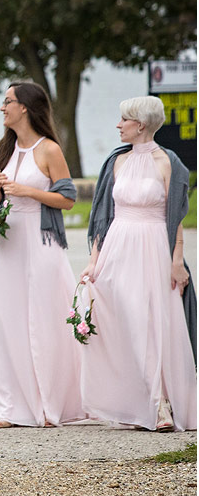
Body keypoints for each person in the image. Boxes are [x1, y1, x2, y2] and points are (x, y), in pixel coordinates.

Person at [80, 96, 196, 432]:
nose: (118, 125)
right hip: (117, 246)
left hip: (152, 247)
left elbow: (175, 216)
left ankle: (161, 403)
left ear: (140, 125)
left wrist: (177, 261)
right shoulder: (116, 162)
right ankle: (136, 400)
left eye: (123, 120)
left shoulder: (168, 162)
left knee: (151, 323)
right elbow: (104, 215)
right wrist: (93, 261)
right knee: (125, 322)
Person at [0, 82, 84, 429]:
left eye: (8, 101)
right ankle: (8, 406)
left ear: (25, 108)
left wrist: (30, 191)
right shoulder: (3, 150)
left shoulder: (49, 149)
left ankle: (48, 403)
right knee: (6, 322)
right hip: (7, 246)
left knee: (41, 320)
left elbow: (68, 199)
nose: (3, 107)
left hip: (40, 242)